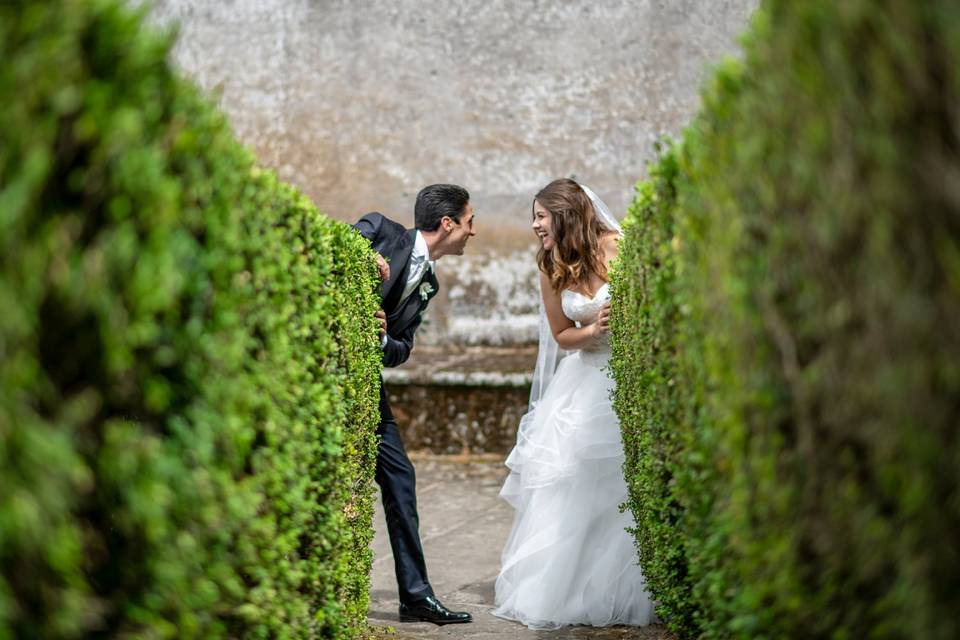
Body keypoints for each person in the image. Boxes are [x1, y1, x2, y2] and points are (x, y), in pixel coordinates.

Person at [492, 178, 654, 629]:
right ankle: (565, 591)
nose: (534, 225)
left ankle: (623, 589)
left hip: (623, 381)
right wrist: (595, 332)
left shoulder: (618, 246)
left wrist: (622, 325)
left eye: (541, 216)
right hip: (580, 382)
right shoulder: (549, 263)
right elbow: (564, 336)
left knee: (617, 486)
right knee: (570, 483)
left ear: (564, 213)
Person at [353, 184, 477, 625]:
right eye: (469, 222)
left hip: (366, 382)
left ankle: (415, 597)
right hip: (320, 375)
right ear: (448, 224)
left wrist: (383, 338)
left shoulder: (430, 283)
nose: (471, 232)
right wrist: (363, 258)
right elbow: (336, 250)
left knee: (400, 478)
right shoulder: (379, 230)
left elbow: (402, 348)